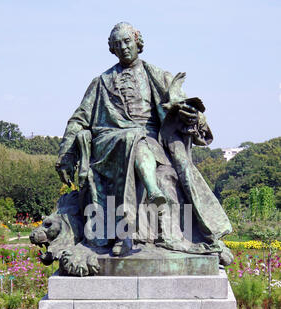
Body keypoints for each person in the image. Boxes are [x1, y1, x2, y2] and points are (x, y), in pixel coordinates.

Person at [56, 22, 232, 259]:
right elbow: (78, 120)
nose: (123, 47)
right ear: (112, 49)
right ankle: (140, 207)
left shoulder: (158, 76)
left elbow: (189, 110)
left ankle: (142, 217)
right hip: (109, 144)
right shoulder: (100, 82)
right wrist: (66, 154)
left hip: (152, 144)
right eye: (117, 44)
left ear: (138, 43)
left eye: (127, 42)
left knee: (140, 142)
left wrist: (192, 116)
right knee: (131, 137)